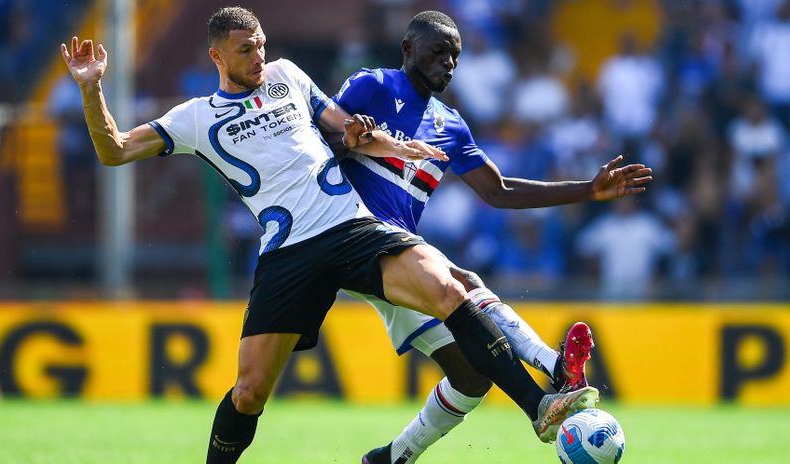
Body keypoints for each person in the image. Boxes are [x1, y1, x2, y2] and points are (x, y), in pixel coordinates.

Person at [60, 7, 599, 463]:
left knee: (452, 288)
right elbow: (114, 149)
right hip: (286, 255)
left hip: (350, 226)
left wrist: (390, 144)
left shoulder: (289, 78)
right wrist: (92, 90)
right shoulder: (195, 119)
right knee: (249, 393)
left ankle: (539, 404)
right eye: (246, 50)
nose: (259, 57)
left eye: (262, 45)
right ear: (217, 57)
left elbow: (346, 129)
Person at [331, 11, 653, 463]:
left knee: (471, 375)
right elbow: (322, 131)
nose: (448, 63)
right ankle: (555, 368)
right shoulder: (373, 86)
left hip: (394, 251)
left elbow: (497, 191)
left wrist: (587, 189)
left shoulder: (450, 125)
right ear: (408, 49)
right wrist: (350, 140)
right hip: (351, 238)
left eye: (455, 57)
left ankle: (390, 458)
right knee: (465, 282)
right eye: (438, 52)